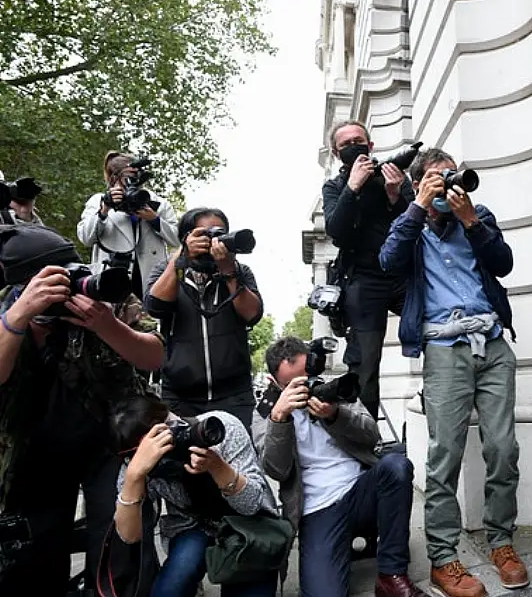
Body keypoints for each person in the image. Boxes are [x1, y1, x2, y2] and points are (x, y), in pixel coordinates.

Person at [379, 148, 527, 597]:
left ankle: (501, 542)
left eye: (451, 178)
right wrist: (418, 204)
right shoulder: (411, 225)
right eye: (437, 180)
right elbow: (388, 261)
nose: (448, 188)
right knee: (444, 456)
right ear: (421, 182)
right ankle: (444, 558)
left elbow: (503, 263)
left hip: (493, 344)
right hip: (444, 350)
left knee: (503, 448)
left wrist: (471, 222)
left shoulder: (477, 215)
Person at [0, 225, 164, 595]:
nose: (72, 282)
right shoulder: (8, 306)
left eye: (72, 271)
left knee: (119, 543)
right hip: (32, 451)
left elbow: (155, 355)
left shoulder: (104, 292)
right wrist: (20, 316)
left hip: (108, 443)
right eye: (57, 276)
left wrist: (107, 325)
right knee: (34, 557)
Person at [254, 336, 424, 597]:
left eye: (306, 377)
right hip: (317, 508)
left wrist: (334, 415)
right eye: (293, 384)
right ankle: (338, 547)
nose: (305, 387)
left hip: (359, 489)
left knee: (396, 466)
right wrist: (280, 418)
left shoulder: (334, 389)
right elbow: (277, 470)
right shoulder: (266, 412)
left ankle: (391, 574)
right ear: (276, 383)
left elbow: (372, 436)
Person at [111, 395, 279, 597]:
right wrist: (134, 477)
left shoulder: (220, 427)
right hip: (192, 525)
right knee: (170, 587)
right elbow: (129, 536)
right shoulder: (136, 465)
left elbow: (251, 506)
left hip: (251, 525)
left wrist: (217, 467)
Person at [322, 121, 415, 419]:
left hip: (403, 275)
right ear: (337, 154)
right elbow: (337, 232)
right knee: (364, 363)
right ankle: (365, 435)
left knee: (434, 331)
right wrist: (353, 187)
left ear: (371, 145)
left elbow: (415, 221)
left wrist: (393, 195)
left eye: (358, 141)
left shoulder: (395, 176)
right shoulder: (335, 187)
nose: (354, 146)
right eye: (346, 144)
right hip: (362, 280)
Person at [144, 207, 264, 432]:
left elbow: (252, 315)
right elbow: (155, 307)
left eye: (220, 233)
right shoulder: (166, 270)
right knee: (184, 463)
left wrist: (229, 272)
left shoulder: (240, 271)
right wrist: (180, 259)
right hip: (180, 396)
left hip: (234, 394)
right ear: (187, 238)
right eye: (205, 234)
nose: (214, 241)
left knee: (235, 462)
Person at [77, 151, 179, 299]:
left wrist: (155, 220)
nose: (134, 181)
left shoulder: (158, 203)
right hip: (113, 277)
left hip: (151, 276)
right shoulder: (99, 201)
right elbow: (86, 238)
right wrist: (104, 210)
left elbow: (176, 239)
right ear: (114, 177)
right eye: (129, 177)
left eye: (137, 176)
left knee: (151, 317)